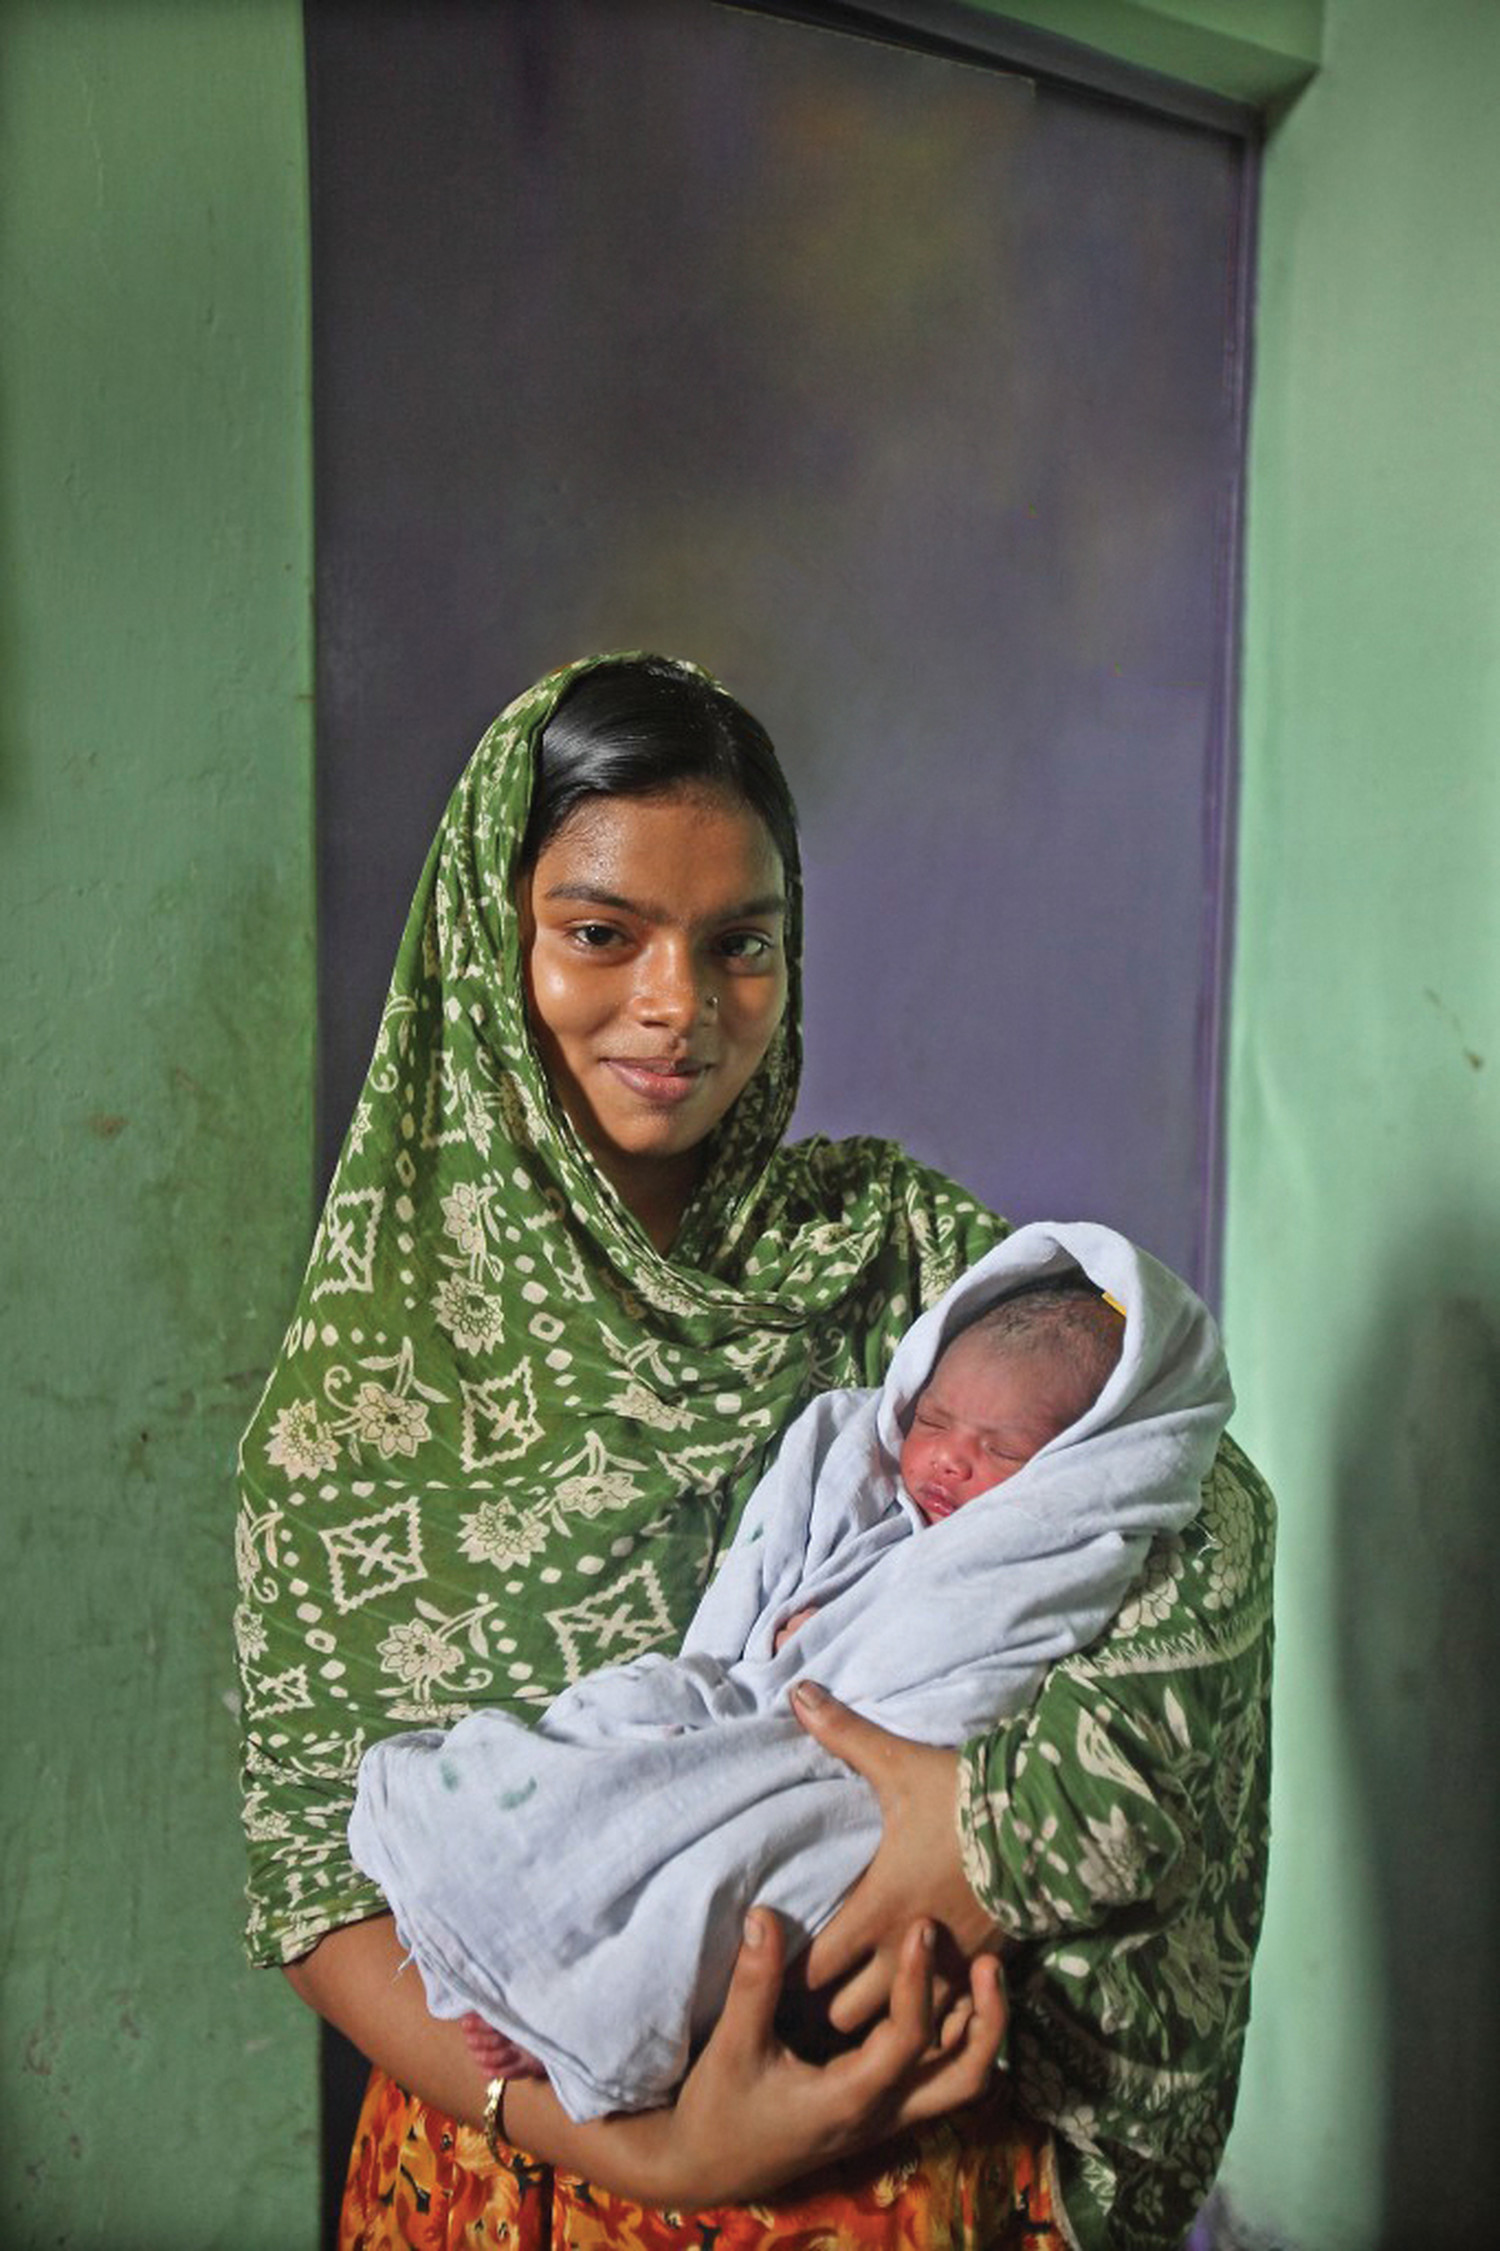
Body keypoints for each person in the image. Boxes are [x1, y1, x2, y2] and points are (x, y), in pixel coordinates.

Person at [235, 652, 1275, 2251]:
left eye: (743, 945)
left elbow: (1184, 1491)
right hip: (516, 2174)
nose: (679, 1005)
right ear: (489, 942)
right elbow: (316, 1875)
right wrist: (650, 2153)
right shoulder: (371, 1380)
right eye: (600, 933)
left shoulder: (898, 1256)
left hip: (904, 2153)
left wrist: (977, 1826)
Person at [348, 1225, 1234, 2128]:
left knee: (743, 1867)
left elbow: (960, 1654)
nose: (946, 1459)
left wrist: (831, 1658)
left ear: (1081, 1464)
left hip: (866, 1783)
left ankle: (587, 2007)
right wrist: (799, 1632)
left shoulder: (1058, 1543)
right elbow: (773, 1610)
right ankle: (519, 1943)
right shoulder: (875, 1485)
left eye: (1002, 1449)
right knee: (609, 1730)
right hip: (744, 1708)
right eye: (931, 1420)